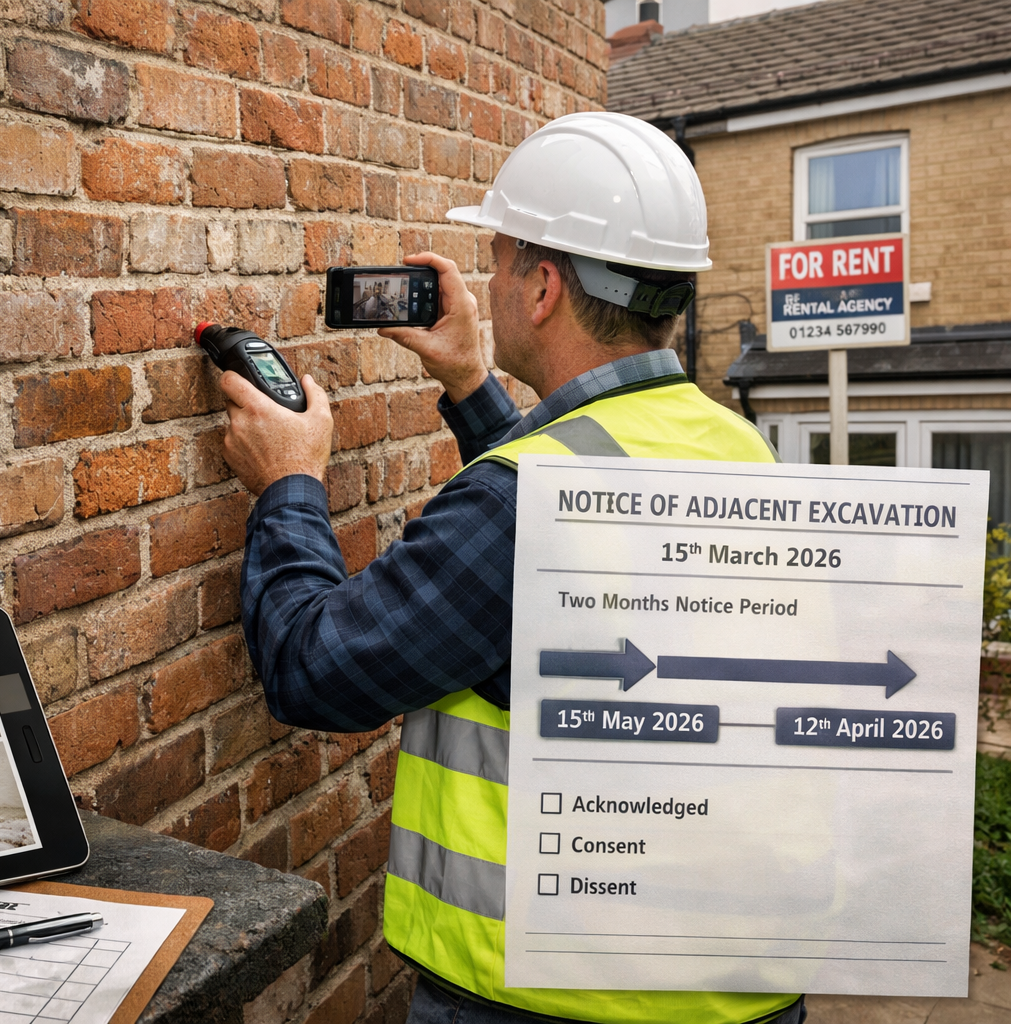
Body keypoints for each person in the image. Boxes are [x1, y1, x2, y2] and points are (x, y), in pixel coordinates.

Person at [218, 112, 800, 1024]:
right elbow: (581, 552)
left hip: (544, 998)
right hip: (735, 989)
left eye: (497, 262)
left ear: (541, 289)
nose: (485, 286)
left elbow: (316, 671)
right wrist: (471, 386)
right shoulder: (735, 445)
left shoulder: (521, 500)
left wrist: (289, 481)